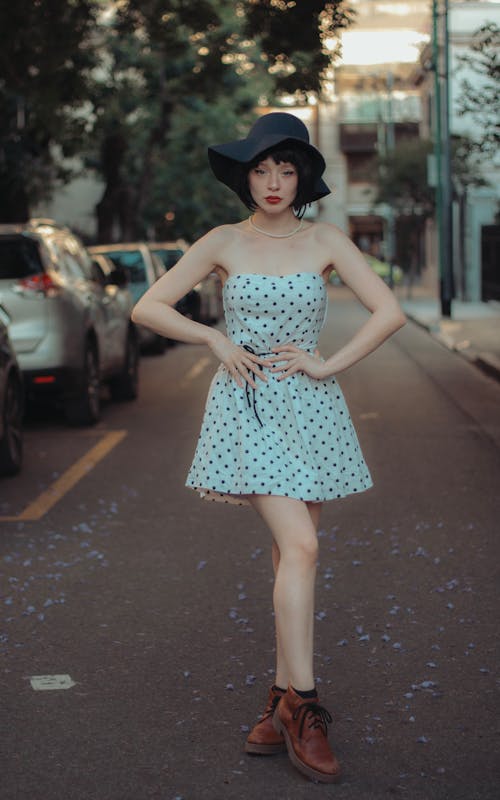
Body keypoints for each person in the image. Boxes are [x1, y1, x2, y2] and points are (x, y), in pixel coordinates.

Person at [132, 112, 406, 784]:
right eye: (262, 169)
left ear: (302, 175)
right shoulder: (224, 240)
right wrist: (215, 340)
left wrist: (328, 363)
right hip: (248, 405)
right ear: (245, 176)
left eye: (286, 169)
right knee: (304, 548)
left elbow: (390, 311)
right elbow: (148, 307)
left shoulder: (325, 239)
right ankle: (304, 709)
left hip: (311, 408)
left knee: (294, 551)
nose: (275, 181)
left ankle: (276, 700)